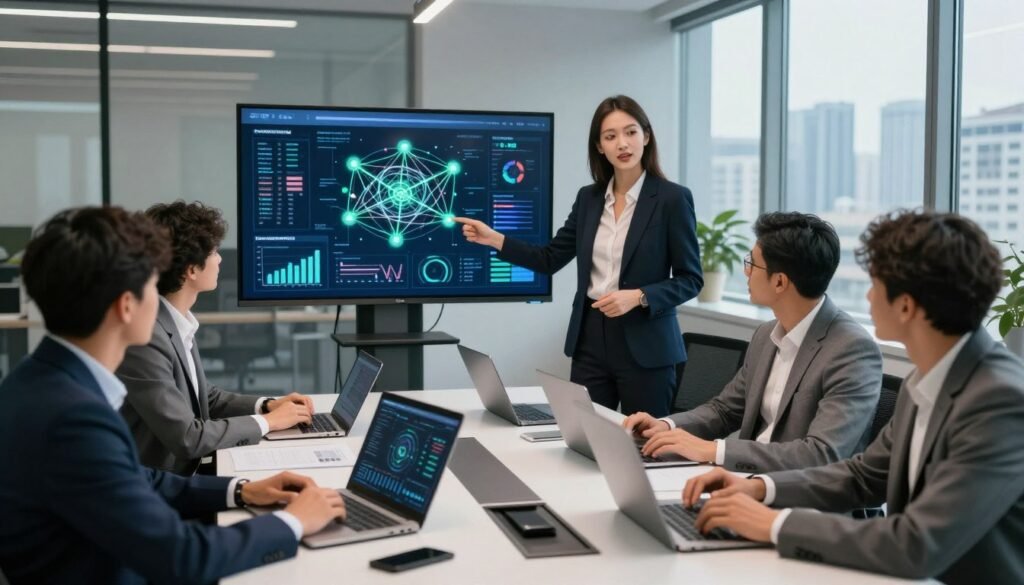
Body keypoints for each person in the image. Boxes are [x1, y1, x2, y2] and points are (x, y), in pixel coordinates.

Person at [0, 206, 346, 584]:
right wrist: (292, 522)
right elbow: (183, 558)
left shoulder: (37, 382)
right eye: (151, 284)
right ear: (126, 306)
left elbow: (137, 478)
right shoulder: (74, 417)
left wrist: (243, 490)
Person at [680, 210, 1024, 584]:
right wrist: (761, 487)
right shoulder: (924, 379)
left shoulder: (1001, 401)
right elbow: (863, 476)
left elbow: (917, 545)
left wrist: (776, 524)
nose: (868, 295)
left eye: (875, 284)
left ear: (906, 306)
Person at [456, 95, 703, 417]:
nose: (622, 144)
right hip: (591, 341)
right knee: (586, 441)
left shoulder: (672, 199)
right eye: (610, 136)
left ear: (646, 135)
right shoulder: (589, 199)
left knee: (645, 447)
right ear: (600, 146)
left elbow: (691, 279)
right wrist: (496, 240)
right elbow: (550, 258)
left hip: (647, 345)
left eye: (630, 132)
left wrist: (639, 296)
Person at [622, 212, 882, 473]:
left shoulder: (851, 350)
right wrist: (667, 426)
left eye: (752, 264)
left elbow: (820, 454)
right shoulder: (766, 334)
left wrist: (714, 450)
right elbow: (725, 410)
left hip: (800, 498)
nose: (746, 272)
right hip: (743, 481)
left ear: (780, 281)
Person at [117, 201, 315, 475]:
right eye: (213, 251)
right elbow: (188, 437)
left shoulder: (173, 322)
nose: (220, 259)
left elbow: (204, 399)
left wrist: (267, 405)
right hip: (163, 488)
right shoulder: (147, 336)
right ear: (191, 270)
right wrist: (269, 422)